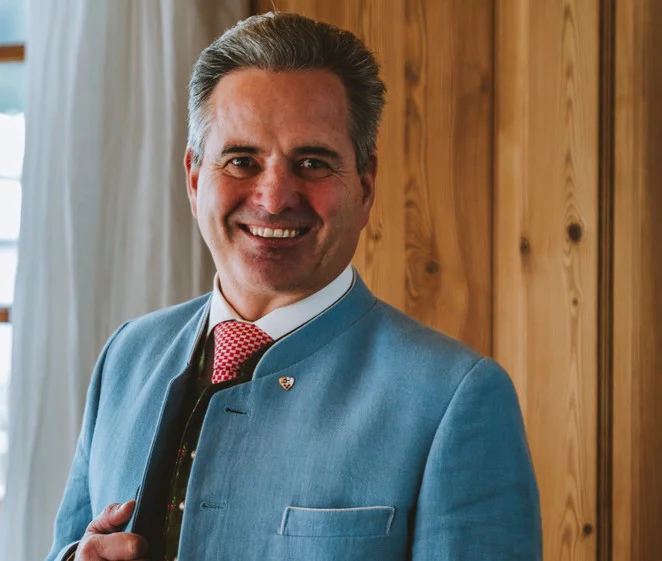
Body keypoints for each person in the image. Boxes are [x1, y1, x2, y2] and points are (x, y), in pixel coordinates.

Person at [46, 12, 541, 561]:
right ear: (194, 179)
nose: (275, 197)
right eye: (241, 161)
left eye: (312, 163)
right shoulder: (126, 356)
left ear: (365, 187)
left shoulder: (455, 397)